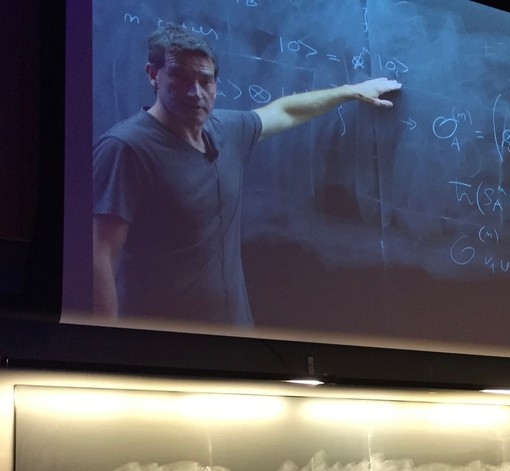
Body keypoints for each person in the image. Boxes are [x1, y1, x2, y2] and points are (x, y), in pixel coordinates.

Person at [93, 24, 401, 325]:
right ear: (153, 75)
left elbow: (285, 111)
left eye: (206, 80)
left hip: (232, 338)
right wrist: (107, 351)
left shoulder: (226, 130)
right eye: (179, 77)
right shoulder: (126, 149)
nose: (195, 92)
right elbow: (99, 255)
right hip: (166, 346)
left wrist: (350, 91)